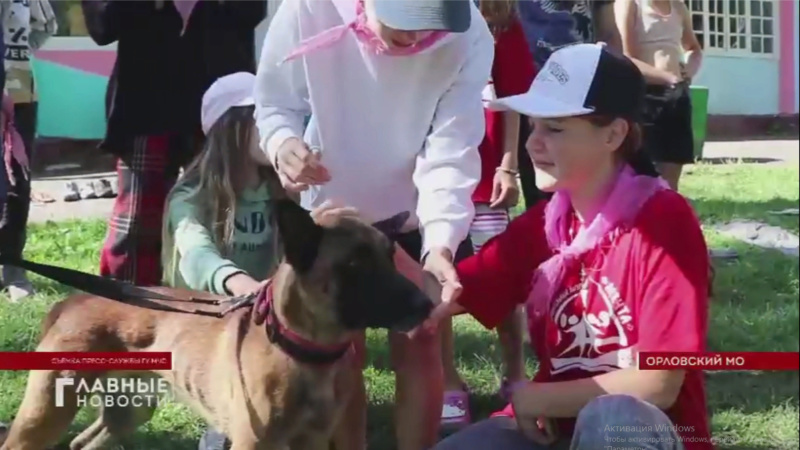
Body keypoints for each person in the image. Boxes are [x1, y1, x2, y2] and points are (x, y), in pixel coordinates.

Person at [424, 43, 712, 449]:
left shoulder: (664, 221)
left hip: (642, 431)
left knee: (612, 415)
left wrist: (536, 396)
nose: (531, 144)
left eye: (554, 128)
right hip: (552, 430)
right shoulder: (546, 223)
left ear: (614, 134)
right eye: (533, 126)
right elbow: (443, 294)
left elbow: (660, 383)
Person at [253, 0, 493, 447]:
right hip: (332, 210)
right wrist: (283, 143)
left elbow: (452, 145)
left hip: (416, 209)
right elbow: (274, 101)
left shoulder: (470, 33)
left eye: (431, 26)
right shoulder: (309, 7)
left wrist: (439, 242)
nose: (418, 39)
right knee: (340, 352)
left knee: (421, 338)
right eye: (406, 23)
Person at [81, 0, 266, 287]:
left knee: (225, 212)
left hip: (220, 103)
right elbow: (102, 25)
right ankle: (127, 304)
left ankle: (228, 298)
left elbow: (252, 11)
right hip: (146, 100)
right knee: (138, 220)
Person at [161, 72, 282, 450]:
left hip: (269, 316)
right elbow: (196, 256)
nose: (278, 127)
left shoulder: (282, 190)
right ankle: (223, 428)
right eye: (264, 117)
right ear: (232, 127)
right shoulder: (191, 197)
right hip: (209, 320)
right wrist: (242, 284)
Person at [448, 0, 536, 418]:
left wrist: (508, 166)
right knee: (437, 277)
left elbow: (514, 97)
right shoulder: (424, 15)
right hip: (431, 175)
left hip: (486, 179)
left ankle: (515, 370)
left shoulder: (503, 21)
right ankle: (446, 378)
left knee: (499, 273)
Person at [514, 0, 624, 211]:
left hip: (583, 94)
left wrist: (611, 86)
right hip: (529, 93)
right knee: (542, 201)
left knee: (598, 194)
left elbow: (609, 33)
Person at [0, 0, 57, 301]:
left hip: (19, 90)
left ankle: (12, 267)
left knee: (16, 182)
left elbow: (46, 25)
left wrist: (15, 60)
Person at [614, 0, 703, 191]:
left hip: (676, 95)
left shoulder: (679, 7)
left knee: (672, 170)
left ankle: (669, 215)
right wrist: (667, 78)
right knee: (643, 172)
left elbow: (693, 48)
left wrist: (689, 70)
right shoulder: (630, 4)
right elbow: (627, 58)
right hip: (645, 97)